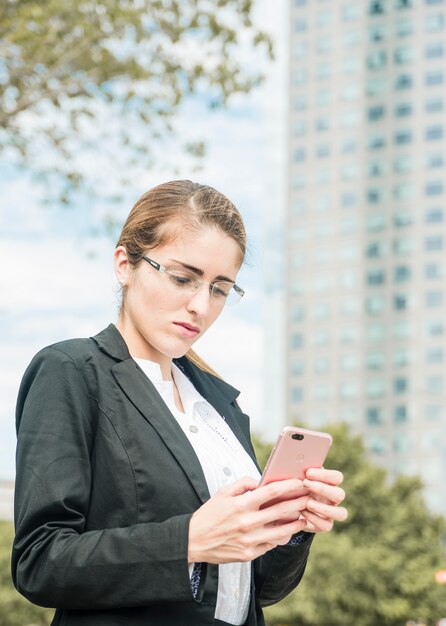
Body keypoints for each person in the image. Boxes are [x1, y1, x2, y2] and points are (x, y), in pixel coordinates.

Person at [12, 180, 347, 626]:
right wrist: (188, 541)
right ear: (124, 264)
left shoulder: (220, 404)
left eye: (220, 289)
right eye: (182, 278)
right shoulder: (71, 371)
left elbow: (256, 592)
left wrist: (291, 529)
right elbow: (39, 562)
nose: (200, 306)